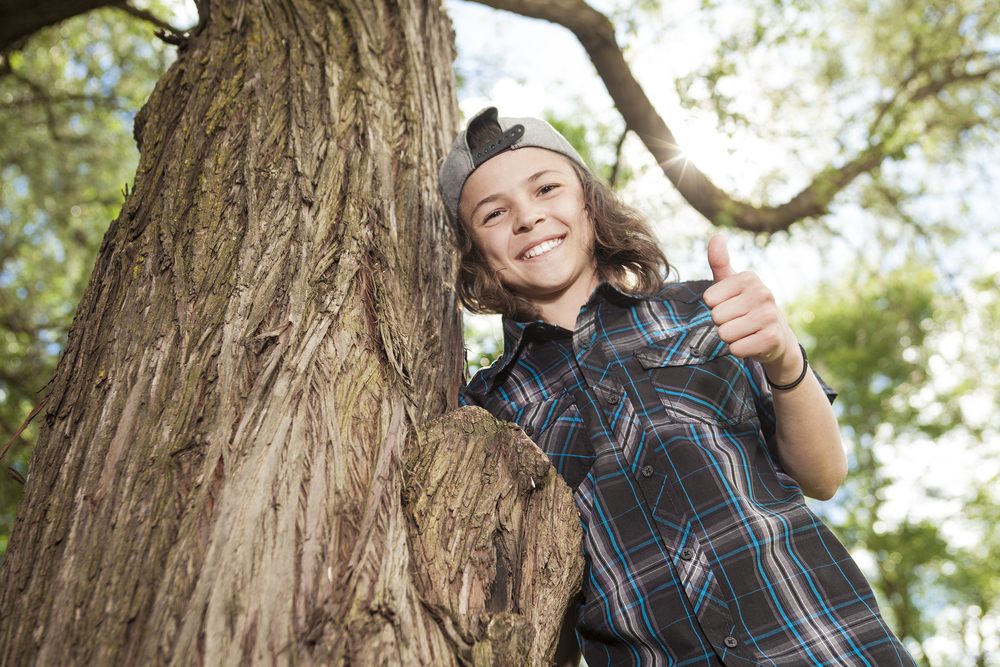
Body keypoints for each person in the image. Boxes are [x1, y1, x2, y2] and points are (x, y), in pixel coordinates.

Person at [439, 107, 917, 667]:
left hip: (825, 644)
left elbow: (824, 476)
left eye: (547, 188)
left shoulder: (704, 309)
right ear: (473, 252)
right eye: (494, 214)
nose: (528, 217)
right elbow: (540, 614)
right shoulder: (487, 410)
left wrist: (785, 358)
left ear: (589, 202)